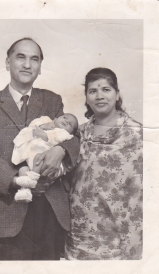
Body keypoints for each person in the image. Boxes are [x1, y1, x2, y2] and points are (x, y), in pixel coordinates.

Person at [0, 37, 79, 260]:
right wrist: (16, 178)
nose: (27, 64)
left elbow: (72, 135)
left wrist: (60, 150)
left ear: (40, 67)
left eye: (34, 59)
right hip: (5, 207)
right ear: (7, 63)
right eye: (20, 57)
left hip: (49, 208)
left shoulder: (52, 100)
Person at [65, 68, 143, 260]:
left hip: (117, 244)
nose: (99, 96)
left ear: (117, 94)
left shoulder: (137, 135)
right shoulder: (78, 134)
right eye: (93, 91)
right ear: (87, 98)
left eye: (106, 89)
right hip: (77, 241)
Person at [11, 114, 78, 202]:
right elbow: (32, 126)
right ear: (55, 119)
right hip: (31, 156)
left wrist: (44, 134)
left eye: (70, 124)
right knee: (23, 169)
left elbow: (57, 138)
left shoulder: (64, 133)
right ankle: (24, 191)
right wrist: (43, 126)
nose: (66, 121)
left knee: (39, 159)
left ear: (71, 132)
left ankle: (32, 179)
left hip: (45, 160)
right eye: (65, 118)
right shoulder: (46, 121)